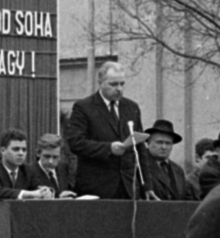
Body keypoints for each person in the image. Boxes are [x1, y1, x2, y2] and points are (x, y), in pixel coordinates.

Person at [65, 62, 147, 199]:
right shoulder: (84, 107)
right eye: (113, 84)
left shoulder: (131, 107)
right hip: (96, 186)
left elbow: (140, 149)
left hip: (127, 187)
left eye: (122, 84)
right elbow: (75, 143)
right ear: (100, 82)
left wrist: (147, 185)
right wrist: (108, 148)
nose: (119, 89)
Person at [0, 129, 54, 201]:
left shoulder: (27, 170)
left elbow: (39, 187)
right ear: (3, 150)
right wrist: (28, 194)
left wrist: (46, 191)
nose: (21, 153)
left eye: (24, 150)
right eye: (16, 149)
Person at [143, 119, 194, 200]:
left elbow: (186, 198)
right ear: (148, 142)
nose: (164, 147)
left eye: (168, 143)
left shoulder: (178, 170)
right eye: (159, 142)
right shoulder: (140, 166)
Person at [23, 133, 75, 198]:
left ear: (60, 155)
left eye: (55, 157)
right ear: (38, 153)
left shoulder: (63, 167)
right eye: (47, 156)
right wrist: (59, 198)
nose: (51, 161)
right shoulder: (29, 172)